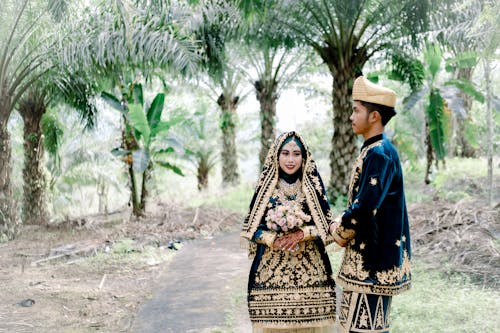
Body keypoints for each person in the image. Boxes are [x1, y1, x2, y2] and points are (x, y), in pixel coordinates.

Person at [329, 76, 412, 333]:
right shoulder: (375, 149)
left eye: (356, 110)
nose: (351, 116)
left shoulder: (379, 153)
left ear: (374, 116)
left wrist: (336, 231)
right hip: (367, 262)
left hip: (372, 264)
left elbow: (364, 208)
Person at [241, 131, 336, 333]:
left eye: (296, 154)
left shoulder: (313, 186)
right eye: (285, 153)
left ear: (304, 157)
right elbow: (252, 229)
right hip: (271, 276)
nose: (290, 159)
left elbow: (327, 227)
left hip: (311, 277)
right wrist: (272, 239)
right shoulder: (267, 186)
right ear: (276, 156)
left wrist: (303, 233)